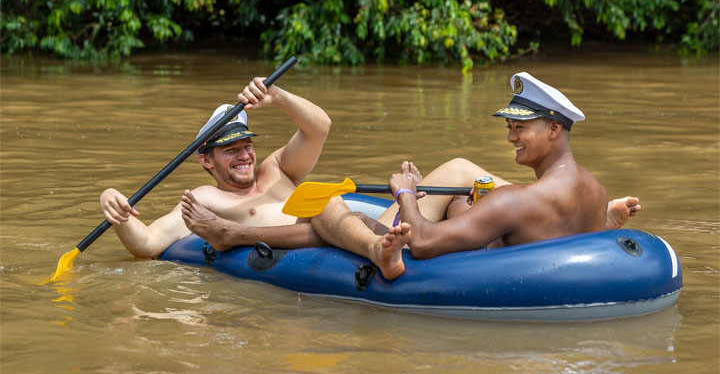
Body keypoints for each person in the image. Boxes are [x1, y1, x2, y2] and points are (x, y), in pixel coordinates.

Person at [182, 72, 641, 281]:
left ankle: (235, 235)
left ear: (554, 129)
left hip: (487, 255)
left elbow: (419, 244)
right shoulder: (594, 188)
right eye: (510, 128)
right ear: (208, 160)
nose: (511, 139)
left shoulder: (516, 201)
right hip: (537, 239)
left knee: (327, 206)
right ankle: (238, 233)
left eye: (519, 128)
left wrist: (406, 194)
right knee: (462, 191)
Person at [99, 77, 332, 258]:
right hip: (304, 250)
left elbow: (319, 128)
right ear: (206, 161)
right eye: (230, 150)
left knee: (332, 202)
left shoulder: (278, 168)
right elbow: (148, 243)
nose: (244, 156)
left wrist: (278, 96)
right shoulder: (204, 199)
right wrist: (113, 206)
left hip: (330, 231)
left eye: (247, 146)